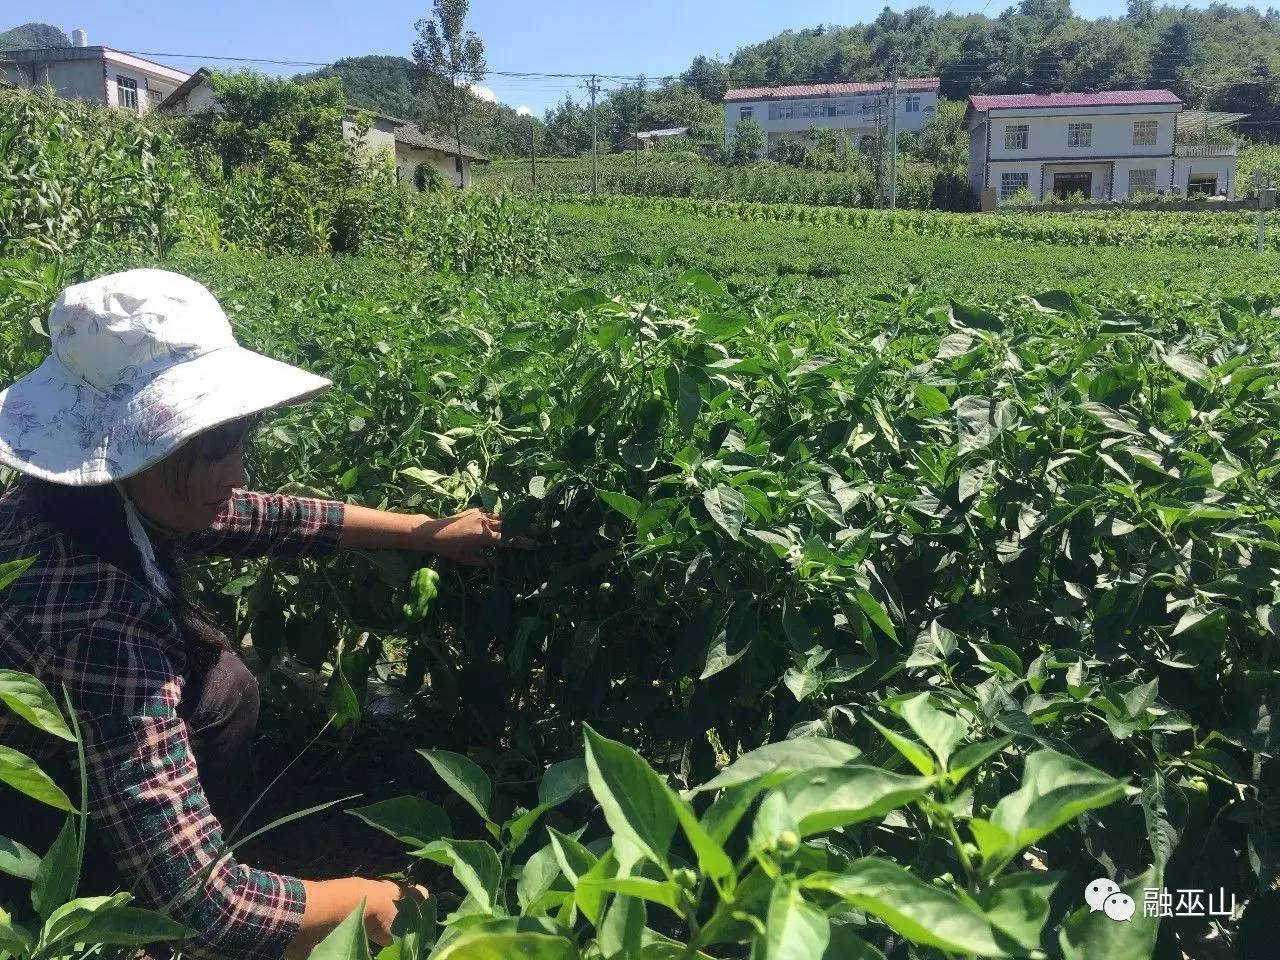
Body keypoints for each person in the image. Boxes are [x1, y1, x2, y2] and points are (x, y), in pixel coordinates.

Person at [0, 270, 529, 960]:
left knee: (222, 689)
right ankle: (99, 920)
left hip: (46, 742)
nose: (240, 470)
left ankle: (133, 872)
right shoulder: (95, 617)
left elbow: (260, 516)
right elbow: (210, 905)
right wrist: (366, 902)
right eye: (220, 446)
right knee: (217, 707)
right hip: (26, 800)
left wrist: (424, 532)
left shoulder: (84, 503)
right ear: (143, 451)